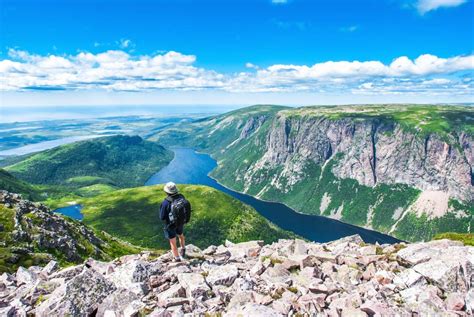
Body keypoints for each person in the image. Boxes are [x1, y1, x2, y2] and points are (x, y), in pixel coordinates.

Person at [159, 182, 191, 261]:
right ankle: (183, 249)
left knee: (173, 242)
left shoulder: (165, 202)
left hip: (170, 225)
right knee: (181, 235)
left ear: (166, 192)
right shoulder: (181, 197)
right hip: (180, 222)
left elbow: (162, 217)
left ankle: (177, 258)